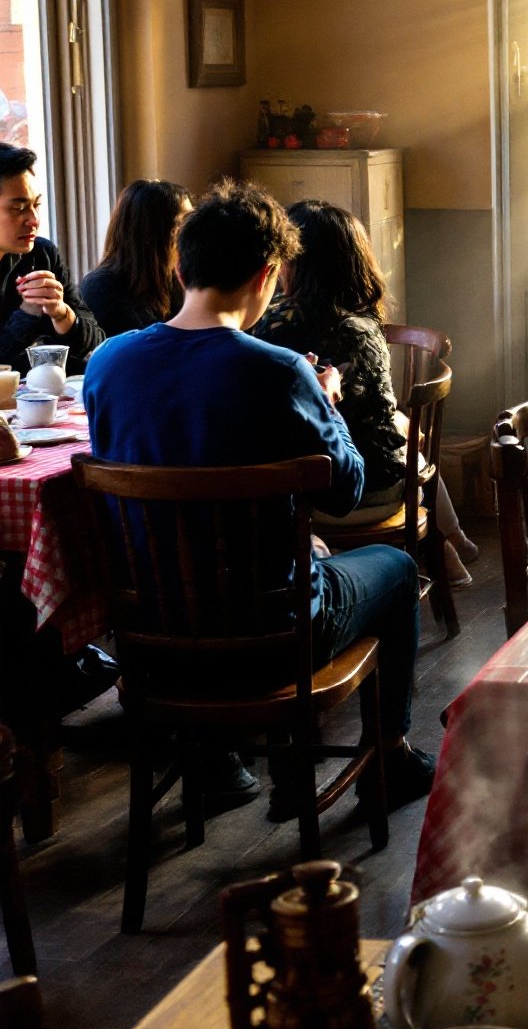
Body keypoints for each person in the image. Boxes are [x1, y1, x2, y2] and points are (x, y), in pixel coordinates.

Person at [84, 180, 435, 818]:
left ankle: (215, 759)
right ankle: (388, 759)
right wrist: (326, 400)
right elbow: (348, 487)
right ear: (268, 274)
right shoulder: (280, 370)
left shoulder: (109, 363)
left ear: (181, 266)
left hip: (153, 641)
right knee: (400, 567)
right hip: (274, 635)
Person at [252, 199, 478, 585]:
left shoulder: (271, 326)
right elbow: (376, 417)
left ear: (293, 259)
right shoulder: (364, 324)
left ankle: (436, 547)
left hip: (325, 496)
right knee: (406, 437)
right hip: (388, 487)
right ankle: (445, 541)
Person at [0, 143, 104, 370]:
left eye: (36, 205)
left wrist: (61, 313)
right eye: (18, 209)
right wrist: (28, 313)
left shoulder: (41, 254)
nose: (34, 219)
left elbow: (96, 343)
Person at [79, 179, 192, 337]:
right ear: (152, 232)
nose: (192, 233)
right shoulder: (101, 288)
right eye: (183, 224)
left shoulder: (174, 278)